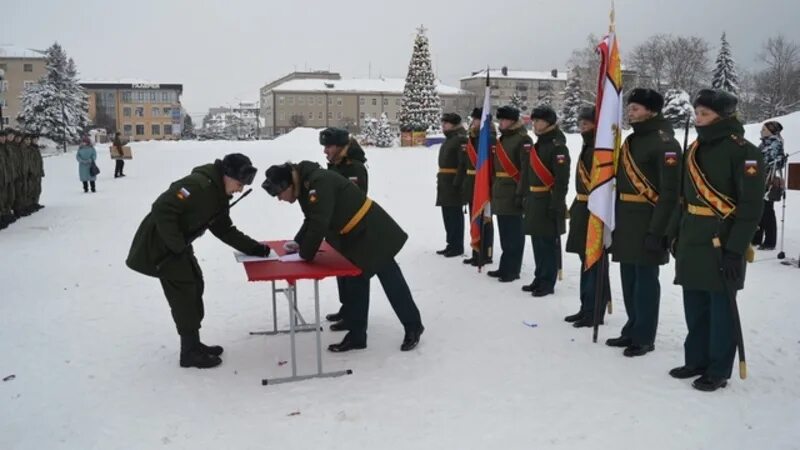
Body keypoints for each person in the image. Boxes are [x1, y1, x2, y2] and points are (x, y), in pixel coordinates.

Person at [126, 153, 270, 369]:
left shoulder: (217, 194)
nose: (239, 190)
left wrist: (255, 248)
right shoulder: (197, 186)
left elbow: (224, 229)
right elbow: (162, 208)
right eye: (239, 184)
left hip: (176, 247)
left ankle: (193, 344)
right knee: (184, 291)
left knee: (195, 284)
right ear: (227, 175)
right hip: (160, 248)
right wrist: (176, 245)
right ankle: (189, 353)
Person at [262, 161, 424, 352]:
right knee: (355, 282)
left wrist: (305, 255)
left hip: (372, 232)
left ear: (288, 185)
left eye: (279, 194)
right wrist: (299, 242)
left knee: (390, 279)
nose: (280, 199)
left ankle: (413, 326)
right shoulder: (307, 184)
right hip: (353, 237)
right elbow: (311, 219)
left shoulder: (318, 182)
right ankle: (357, 336)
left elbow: (319, 223)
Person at [668, 89, 763, 392]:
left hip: (721, 239)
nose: (698, 119)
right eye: (696, 113)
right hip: (692, 235)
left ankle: (719, 368)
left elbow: (750, 208)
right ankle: (696, 359)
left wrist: (736, 250)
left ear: (722, 116)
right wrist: (675, 233)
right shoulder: (694, 149)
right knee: (694, 303)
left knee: (721, 308)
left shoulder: (743, 151)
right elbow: (682, 199)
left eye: (705, 114)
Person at [606, 88, 681, 357]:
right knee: (629, 279)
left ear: (651, 111)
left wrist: (658, 230)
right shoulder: (631, 141)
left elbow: (670, 193)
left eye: (636, 108)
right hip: (626, 220)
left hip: (649, 220)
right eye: (630, 108)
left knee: (646, 283)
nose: (630, 112)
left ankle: (645, 335)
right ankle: (632, 328)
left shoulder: (665, 143)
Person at [318, 127, 369, 332]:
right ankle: (346, 308)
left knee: (352, 275)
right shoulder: (335, 165)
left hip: (352, 229)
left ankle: (353, 316)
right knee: (342, 273)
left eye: (328, 147)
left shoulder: (354, 168)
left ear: (340, 147)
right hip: (337, 229)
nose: (325, 151)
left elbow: (352, 199)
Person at [565, 106, 611, 327]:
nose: (582, 128)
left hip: (596, 211)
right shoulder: (587, 147)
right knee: (586, 262)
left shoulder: (602, 149)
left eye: (587, 124)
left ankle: (595, 309)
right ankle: (586, 306)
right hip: (583, 208)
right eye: (581, 124)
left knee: (595, 263)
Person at [521, 105, 570, 297]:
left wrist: (556, 204)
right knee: (537, 242)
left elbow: (561, 180)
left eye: (539, 121)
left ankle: (547, 282)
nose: (535, 124)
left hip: (548, 201)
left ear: (549, 123)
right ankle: (539, 277)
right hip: (535, 200)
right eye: (534, 121)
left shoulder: (557, 147)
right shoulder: (539, 144)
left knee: (548, 244)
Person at [488, 105, 529, 282]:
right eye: (500, 120)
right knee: (505, 234)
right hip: (500, 192)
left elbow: (525, 170)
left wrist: (521, 194)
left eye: (503, 120)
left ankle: (513, 270)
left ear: (512, 121)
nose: (501, 123)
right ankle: (505, 266)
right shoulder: (502, 139)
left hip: (513, 192)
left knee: (514, 235)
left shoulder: (522, 139)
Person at [457, 108, 495, 266]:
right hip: (472, 183)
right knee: (474, 219)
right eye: (473, 119)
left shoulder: (489, 138)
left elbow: (491, 164)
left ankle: (486, 253)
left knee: (485, 220)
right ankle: (476, 251)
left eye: (476, 119)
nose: (473, 122)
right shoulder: (471, 138)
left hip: (484, 183)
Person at [436, 113, 468, 257]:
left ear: (454, 124)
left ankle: (457, 245)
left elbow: (462, 163)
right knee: (447, 214)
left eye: (446, 123)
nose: (443, 126)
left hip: (453, 182)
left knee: (455, 215)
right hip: (445, 182)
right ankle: (451, 243)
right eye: (443, 123)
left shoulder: (460, 139)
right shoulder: (449, 139)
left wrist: (458, 182)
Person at [751, 120, 785, 250]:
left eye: (764, 129)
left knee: (767, 210)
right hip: (758, 179)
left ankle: (770, 241)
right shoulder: (764, 143)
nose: (761, 131)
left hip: (767, 181)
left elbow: (770, 162)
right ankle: (757, 237)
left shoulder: (775, 144)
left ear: (771, 131)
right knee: (760, 209)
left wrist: (755, 163)